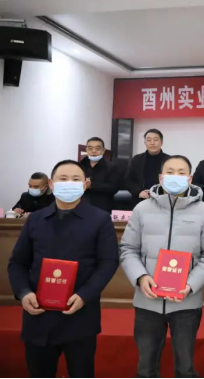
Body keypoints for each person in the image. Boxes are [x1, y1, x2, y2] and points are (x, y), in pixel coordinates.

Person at [8, 160, 119, 378]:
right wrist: (23, 293)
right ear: (51, 184)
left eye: (76, 179)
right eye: (63, 179)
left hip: (79, 315)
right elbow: (18, 262)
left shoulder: (100, 219)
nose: (69, 183)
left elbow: (108, 263)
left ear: (85, 184)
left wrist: (85, 295)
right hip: (38, 314)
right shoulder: (35, 219)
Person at [119, 155, 204, 378]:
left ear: (190, 178)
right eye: (170, 172)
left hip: (186, 303)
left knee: (185, 367)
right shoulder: (142, 209)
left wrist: (190, 285)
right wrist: (140, 277)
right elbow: (128, 249)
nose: (175, 177)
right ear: (161, 177)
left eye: (181, 173)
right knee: (145, 367)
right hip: (147, 301)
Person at [126, 129, 170, 208]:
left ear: (161, 142)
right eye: (149, 140)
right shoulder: (137, 159)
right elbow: (128, 181)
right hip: (140, 200)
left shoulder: (169, 160)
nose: (152, 143)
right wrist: (139, 191)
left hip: (163, 201)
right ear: (145, 143)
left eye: (155, 140)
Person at [80, 137, 121, 213]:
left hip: (102, 206)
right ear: (86, 150)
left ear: (103, 150)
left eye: (97, 148)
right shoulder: (79, 166)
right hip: (81, 205)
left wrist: (91, 185)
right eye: (90, 148)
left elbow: (114, 187)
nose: (94, 151)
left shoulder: (112, 167)